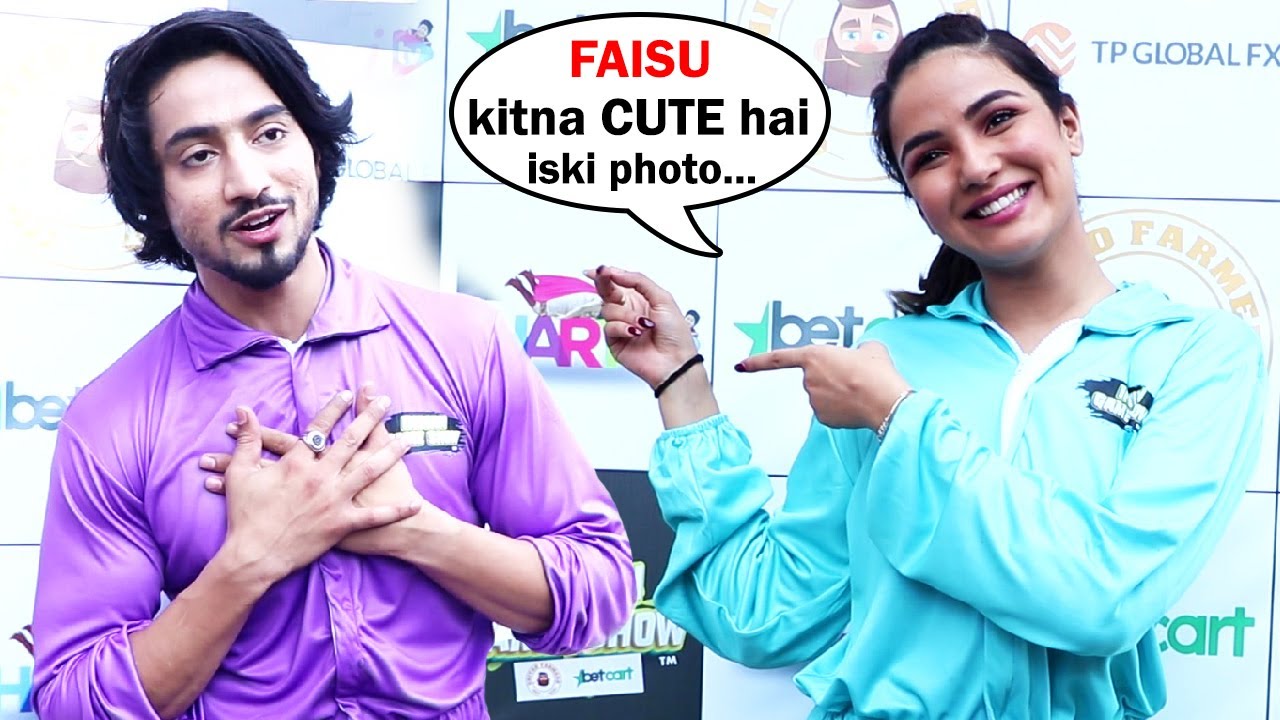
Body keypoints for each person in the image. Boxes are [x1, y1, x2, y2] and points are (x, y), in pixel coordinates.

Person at [588, 13, 1265, 720]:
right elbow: (763, 616)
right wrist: (681, 384)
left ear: (1068, 124)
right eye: (932, 155)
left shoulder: (1197, 352)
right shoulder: (889, 359)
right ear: (917, 197)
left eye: (998, 119)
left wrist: (899, 418)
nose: (976, 166)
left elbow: (1106, 598)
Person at [31, 9, 635, 720]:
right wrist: (251, 559)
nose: (248, 180)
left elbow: (600, 592)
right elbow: (72, 700)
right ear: (154, 199)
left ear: (314, 146)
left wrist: (411, 528)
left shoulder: (468, 341)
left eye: (269, 133)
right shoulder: (112, 418)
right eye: (197, 155)